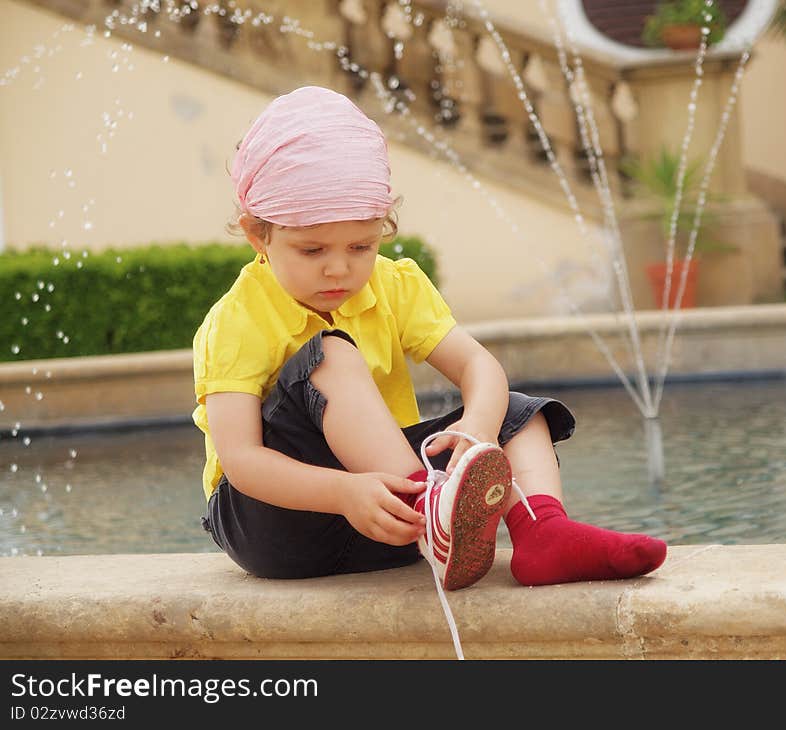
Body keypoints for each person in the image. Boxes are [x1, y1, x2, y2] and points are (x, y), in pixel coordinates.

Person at [193, 85, 667, 618]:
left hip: (397, 523)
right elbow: (242, 463)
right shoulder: (236, 320)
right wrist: (345, 493)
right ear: (258, 234)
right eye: (312, 250)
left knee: (512, 408)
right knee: (329, 354)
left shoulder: (395, 286)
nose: (339, 269)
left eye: (360, 247)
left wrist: (480, 430)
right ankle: (436, 502)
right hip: (279, 522)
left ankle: (542, 534)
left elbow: (476, 365)